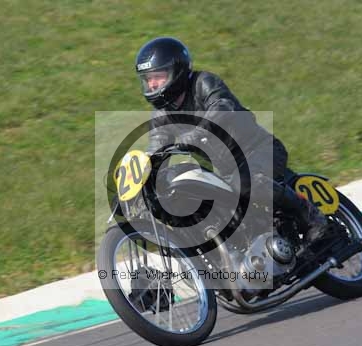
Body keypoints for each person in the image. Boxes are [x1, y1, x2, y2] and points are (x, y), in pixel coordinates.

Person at [135, 37, 328, 243]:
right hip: (228, 171)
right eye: (148, 79)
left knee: (244, 183)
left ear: (177, 71)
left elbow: (222, 107)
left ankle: (310, 215)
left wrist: (195, 134)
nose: (152, 84)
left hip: (261, 150)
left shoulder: (203, 83)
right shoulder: (161, 116)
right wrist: (145, 173)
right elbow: (157, 145)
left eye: (158, 76)